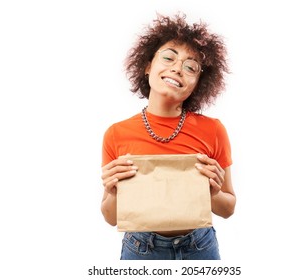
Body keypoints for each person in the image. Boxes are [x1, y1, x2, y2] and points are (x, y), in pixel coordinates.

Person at [100, 13, 236, 260]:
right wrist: (112, 191)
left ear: (197, 83)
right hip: (141, 249)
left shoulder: (213, 130)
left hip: (200, 247)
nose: (177, 68)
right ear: (148, 65)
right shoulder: (116, 134)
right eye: (169, 57)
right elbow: (110, 217)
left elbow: (228, 208)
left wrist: (214, 193)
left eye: (190, 67)